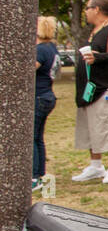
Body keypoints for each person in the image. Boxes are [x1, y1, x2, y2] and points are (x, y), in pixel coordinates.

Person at [71, 0, 108, 184]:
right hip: (88, 90)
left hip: (103, 89)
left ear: (97, 9)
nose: (86, 12)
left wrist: (100, 58)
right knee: (91, 129)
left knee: (105, 128)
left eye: (87, 8)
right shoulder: (95, 30)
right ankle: (95, 165)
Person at [34, 16, 59, 190]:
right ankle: (40, 174)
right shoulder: (52, 48)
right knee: (38, 138)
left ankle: (34, 177)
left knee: (32, 139)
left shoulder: (39, 50)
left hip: (39, 96)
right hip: (48, 95)